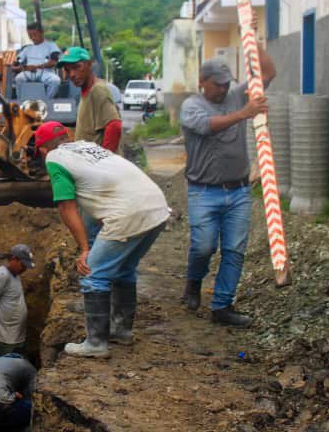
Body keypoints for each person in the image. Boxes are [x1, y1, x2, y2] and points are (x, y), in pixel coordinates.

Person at [35, 121, 170, 358]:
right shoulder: (87, 148)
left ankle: (96, 343)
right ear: (66, 136)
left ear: (43, 149)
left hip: (129, 213)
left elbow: (67, 207)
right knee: (124, 268)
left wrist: (85, 249)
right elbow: (91, 209)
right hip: (157, 207)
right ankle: (122, 331)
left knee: (93, 273)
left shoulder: (54, 158)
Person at [179, 53, 276, 327]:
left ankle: (222, 306)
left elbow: (268, 74)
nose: (223, 89)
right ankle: (193, 283)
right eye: (217, 84)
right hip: (203, 191)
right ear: (202, 82)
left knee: (234, 249)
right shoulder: (191, 106)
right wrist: (245, 113)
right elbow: (208, 127)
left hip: (239, 191)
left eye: (225, 84)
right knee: (204, 246)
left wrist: (256, 37)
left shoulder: (236, 95)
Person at [57, 46, 123, 154]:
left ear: (89, 64)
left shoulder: (98, 90)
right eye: (68, 70)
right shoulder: (86, 92)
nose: (72, 74)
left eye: (77, 67)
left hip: (99, 167)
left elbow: (114, 126)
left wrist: (105, 161)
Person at [0, 244, 34, 358]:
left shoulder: (15, 275)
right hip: (4, 341)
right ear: (14, 259)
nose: (25, 269)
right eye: (23, 265)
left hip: (16, 338)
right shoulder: (2, 275)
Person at [13, 23, 61, 91]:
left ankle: (47, 100)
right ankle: (21, 101)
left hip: (46, 73)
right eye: (30, 35)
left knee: (55, 80)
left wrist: (36, 67)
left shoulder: (52, 45)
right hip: (28, 73)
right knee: (19, 78)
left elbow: (53, 62)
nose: (32, 37)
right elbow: (17, 63)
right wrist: (20, 67)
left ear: (42, 33)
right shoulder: (27, 48)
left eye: (35, 34)